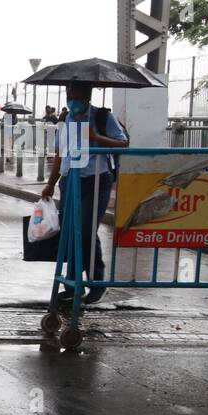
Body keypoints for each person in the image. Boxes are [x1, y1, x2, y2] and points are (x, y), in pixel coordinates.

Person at [40, 81, 129, 305]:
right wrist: (51, 183)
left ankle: (97, 282)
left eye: (75, 94)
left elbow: (123, 144)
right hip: (71, 180)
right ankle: (71, 284)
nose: (71, 98)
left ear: (86, 96)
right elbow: (61, 153)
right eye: (69, 93)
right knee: (70, 231)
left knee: (87, 230)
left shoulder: (102, 117)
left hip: (96, 180)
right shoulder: (66, 119)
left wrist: (97, 138)